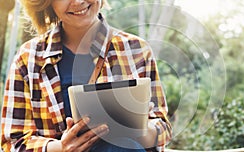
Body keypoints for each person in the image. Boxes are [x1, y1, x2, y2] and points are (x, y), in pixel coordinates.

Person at [0, 0, 172, 151]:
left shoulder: (136, 50)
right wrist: (61, 148)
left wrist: (140, 129)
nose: (78, 1)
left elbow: (162, 127)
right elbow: (13, 142)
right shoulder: (28, 58)